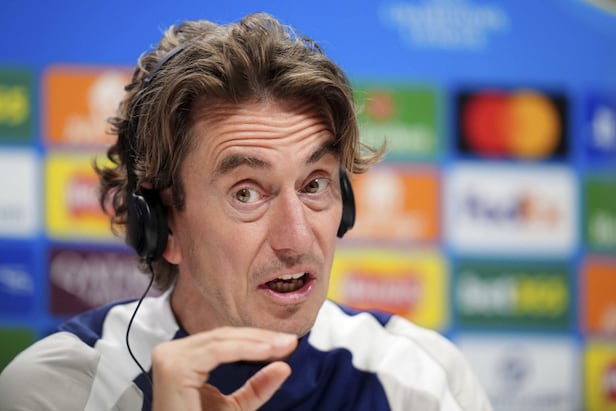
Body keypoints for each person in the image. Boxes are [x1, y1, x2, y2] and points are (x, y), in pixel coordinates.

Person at [0, 12, 492, 411]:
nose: (297, 239)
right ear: (163, 224)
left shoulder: (420, 380)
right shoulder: (56, 393)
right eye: (246, 194)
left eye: (314, 184)